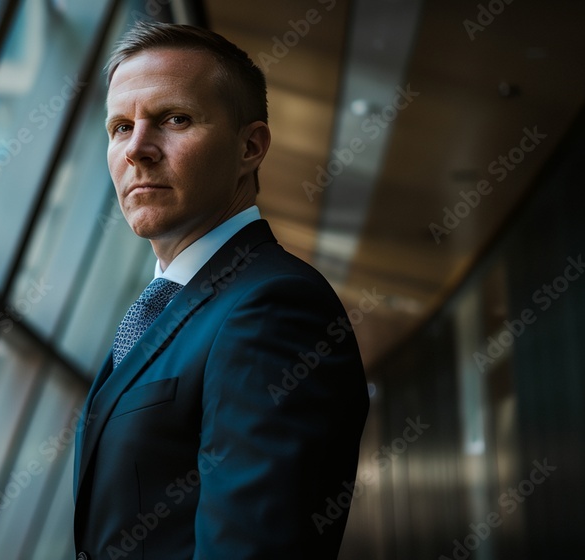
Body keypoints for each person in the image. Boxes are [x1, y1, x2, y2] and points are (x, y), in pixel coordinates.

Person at [72, 21, 369, 559]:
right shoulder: (169, 303)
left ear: (250, 146)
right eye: (120, 127)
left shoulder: (275, 307)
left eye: (175, 119)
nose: (137, 149)